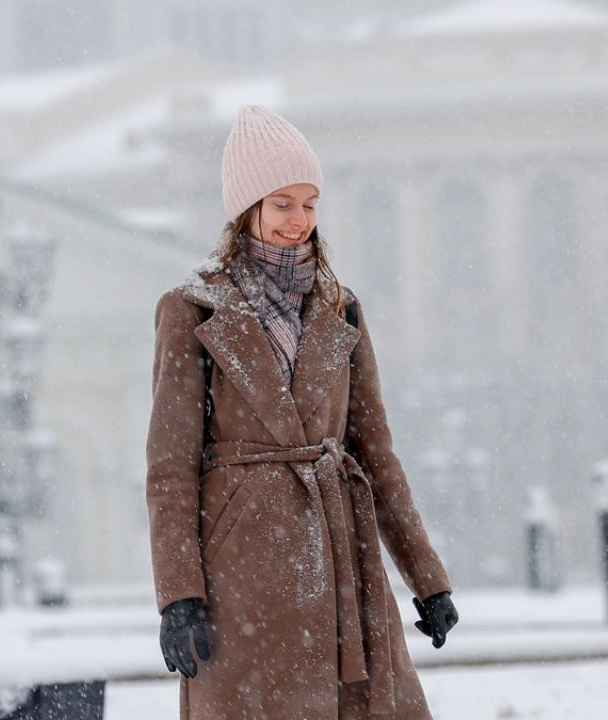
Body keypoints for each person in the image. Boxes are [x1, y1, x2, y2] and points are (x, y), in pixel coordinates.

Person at [146, 106, 459, 719]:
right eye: (283, 204)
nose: (299, 220)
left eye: (310, 204)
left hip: (342, 561)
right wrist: (178, 596)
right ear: (248, 210)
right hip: (240, 570)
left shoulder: (341, 310)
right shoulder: (192, 311)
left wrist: (428, 580)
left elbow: (377, 456)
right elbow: (169, 470)